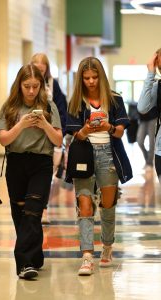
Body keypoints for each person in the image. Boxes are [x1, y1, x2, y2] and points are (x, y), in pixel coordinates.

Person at [65, 57, 132, 276]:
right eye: (86, 78)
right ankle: (86, 256)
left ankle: (107, 245)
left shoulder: (114, 99)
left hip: (109, 156)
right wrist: (86, 130)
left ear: (101, 77)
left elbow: (121, 132)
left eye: (95, 77)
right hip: (84, 155)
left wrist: (108, 126)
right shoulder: (75, 102)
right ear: (81, 79)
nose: (91, 81)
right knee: (84, 205)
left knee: (107, 204)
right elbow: (76, 135)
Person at [0, 64, 62, 280]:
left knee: (33, 211)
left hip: (41, 164)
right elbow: (3, 139)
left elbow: (58, 140)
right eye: (27, 86)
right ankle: (35, 255)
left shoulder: (49, 107)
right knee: (21, 216)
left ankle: (23, 263)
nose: (31, 91)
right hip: (16, 163)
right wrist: (21, 125)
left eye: (35, 86)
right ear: (19, 85)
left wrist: (44, 125)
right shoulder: (10, 108)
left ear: (41, 86)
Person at [30, 53, 67, 223]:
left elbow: (62, 109)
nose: (39, 65)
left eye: (42, 63)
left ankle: (43, 208)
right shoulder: (23, 83)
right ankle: (31, 207)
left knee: (46, 175)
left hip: (50, 135)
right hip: (30, 135)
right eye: (36, 62)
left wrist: (61, 131)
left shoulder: (53, 84)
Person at [137, 48, 161, 181]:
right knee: (140, 140)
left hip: (152, 120)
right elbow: (142, 107)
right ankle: (148, 161)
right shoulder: (157, 86)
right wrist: (150, 73)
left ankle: (149, 162)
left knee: (151, 142)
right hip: (160, 153)